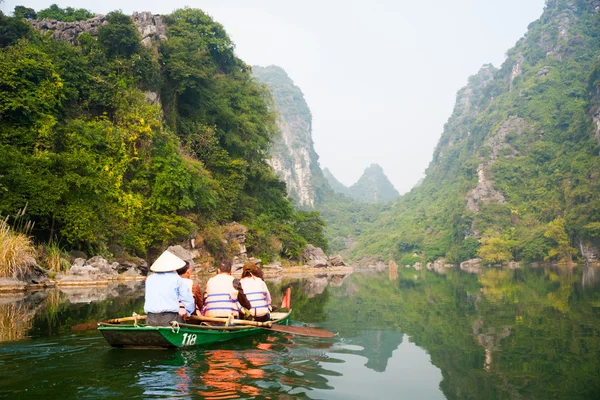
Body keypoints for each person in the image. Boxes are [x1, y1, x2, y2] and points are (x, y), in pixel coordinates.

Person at [144, 250, 195, 326]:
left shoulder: (149, 279)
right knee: (185, 324)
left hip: (150, 318)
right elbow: (188, 300)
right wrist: (188, 313)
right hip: (170, 318)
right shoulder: (176, 278)